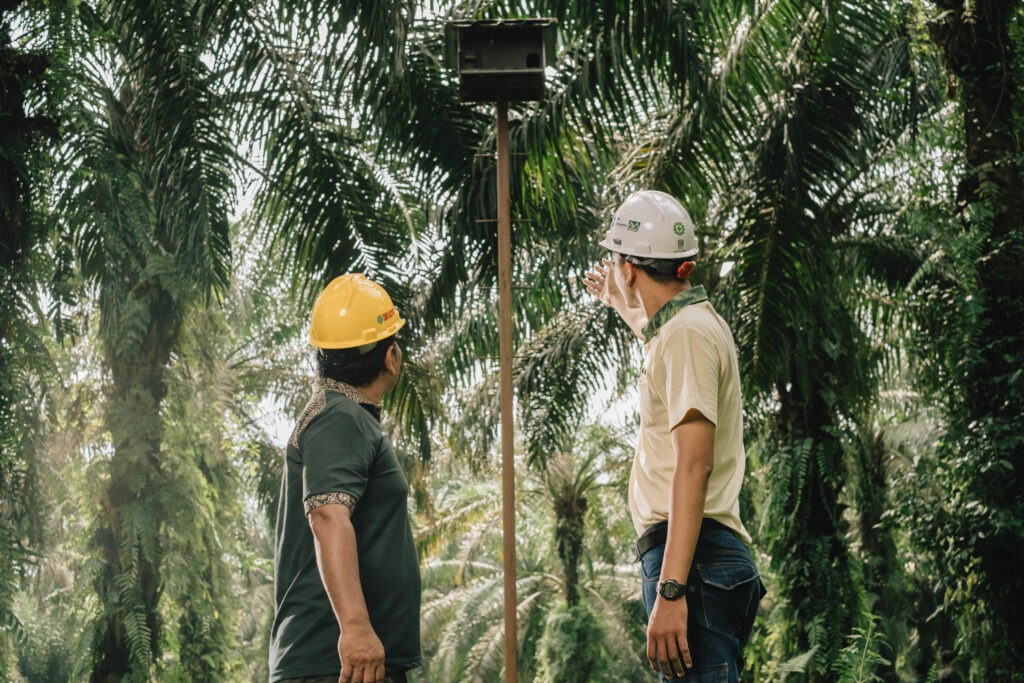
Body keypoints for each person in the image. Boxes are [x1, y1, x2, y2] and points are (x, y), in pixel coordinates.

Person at [584, 191, 765, 682]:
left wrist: (670, 591)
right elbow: (656, 335)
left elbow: (694, 463)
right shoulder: (687, 329)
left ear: (628, 268)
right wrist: (622, 305)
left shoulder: (686, 334)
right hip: (698, 559)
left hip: (692, 560)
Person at [269, 274, 420, 683]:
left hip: (350, 666)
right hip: (339, 666)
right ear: (391, 357)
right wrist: (354, 627)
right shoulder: (340, 417)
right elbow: (327, 516)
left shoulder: (341, 414)